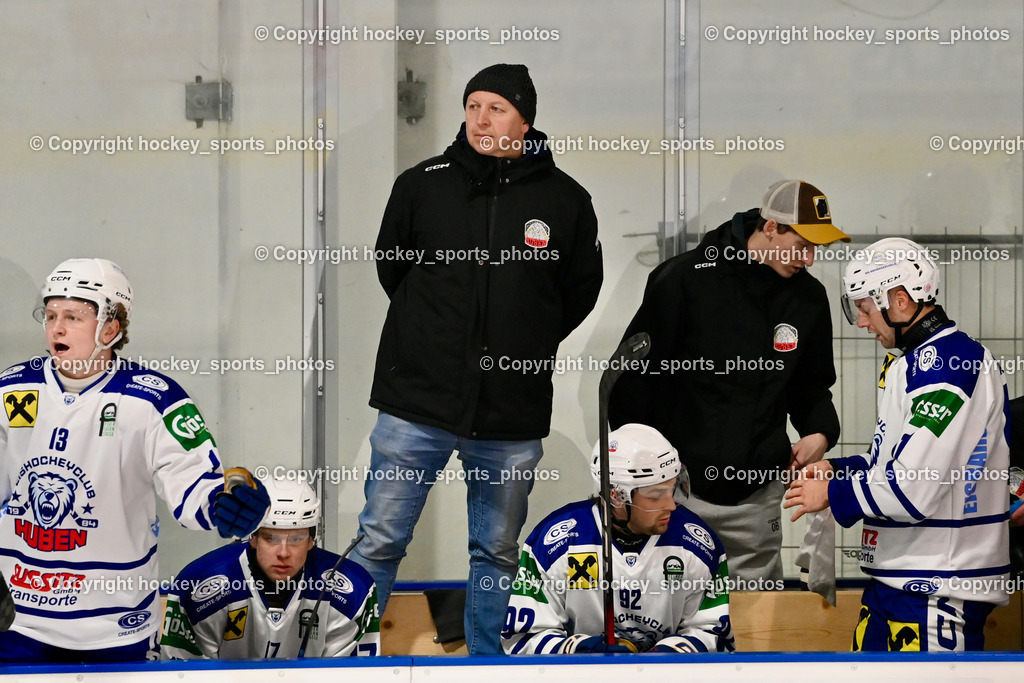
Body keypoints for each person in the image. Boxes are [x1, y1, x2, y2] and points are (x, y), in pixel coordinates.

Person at [352, 63, 603, 654]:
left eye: (496, 108)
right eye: (473, 106)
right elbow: (394, 269)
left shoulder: (566, 199)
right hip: (417, 401)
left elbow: (576, 293)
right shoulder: (422, 183)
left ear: (525, 119)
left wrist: (524, 340)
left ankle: (488, 664)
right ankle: (347, 655)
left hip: (509, 411)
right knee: (379, 539)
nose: (481, 118)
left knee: (494, 549)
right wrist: (433, 338)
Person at [0, 258, 270, 663]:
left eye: (73, 316)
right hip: (18, 621)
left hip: (114, 626)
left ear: (111, 327)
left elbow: (194, 483)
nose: (56, 328)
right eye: (51, 314)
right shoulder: (12, 388)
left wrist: (226, 503)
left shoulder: (154, 399)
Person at [609, 180, 849, 582]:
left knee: (754, 623)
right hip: (678, 492)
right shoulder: (684, 279)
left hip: (757, 497)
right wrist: (650, 471)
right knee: (668, 604)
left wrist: (820, 433)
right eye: (802, 245)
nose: (808, 258)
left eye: (816, 249)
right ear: (770, 228)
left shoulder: (808, 299)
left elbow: (811, 386)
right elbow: (630, 381)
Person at [784, 237, 1011, 652]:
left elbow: (913, 489)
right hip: (898, 581)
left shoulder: (948, 364)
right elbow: (888, 463)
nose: (862, 322)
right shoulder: (911, 361)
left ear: (900, 300)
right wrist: (839, 469)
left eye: (865, 309)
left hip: (938, 588)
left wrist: (832, 493)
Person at [502, 424, 733, 655]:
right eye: (655, 496)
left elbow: (714, 635)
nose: (670, 505)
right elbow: (524, 638)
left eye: (671, 490)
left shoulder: (697, 544)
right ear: (616, 497)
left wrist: (666, 658)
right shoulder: (556, 543)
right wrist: (581, 651)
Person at [161, 477, 380, 659]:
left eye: (296, 539)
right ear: (252, 537)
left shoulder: (351, 590)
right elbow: (183, 676)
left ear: (312, 540)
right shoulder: (201, 584)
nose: (283, 552)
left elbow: (350, 676)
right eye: (271, 538)